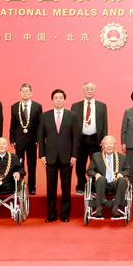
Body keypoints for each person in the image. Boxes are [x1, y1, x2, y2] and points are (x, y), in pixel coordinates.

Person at [38, 89, 80, 222]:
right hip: (49, 156)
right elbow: (40, 137)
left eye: (60, 98)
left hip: (67, 157)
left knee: (66, 187)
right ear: (52, 100)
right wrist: (42, 155)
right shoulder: (45, 116)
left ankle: (65, 214)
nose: (58, 100)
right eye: (56, 98)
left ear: (64, 100)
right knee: (51, 187)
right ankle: (51, 214)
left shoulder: (72, 115)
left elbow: (76, 138)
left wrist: (74, 155)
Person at [71, 82, 108, 195]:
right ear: (83, 90)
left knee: (96, 164)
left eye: (91, 88)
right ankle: (81, 185)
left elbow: (105, 124)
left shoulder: (102, 106)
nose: (89, 90)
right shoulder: (75, 106)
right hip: (80, 139)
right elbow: (71, 124)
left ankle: (94, 187)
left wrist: (105, 139)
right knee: (80, 164)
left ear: (94, 90)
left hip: (95, 139)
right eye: (87, 88)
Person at [9, 83, 42, 195]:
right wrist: (12, 138)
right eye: (23, 91)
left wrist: (39, 139)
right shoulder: (14, 107)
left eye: (27, 91)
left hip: (32, 140)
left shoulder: (37, 106)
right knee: (18, 164)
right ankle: (19, 186)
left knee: (32, 165)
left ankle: (32, 187)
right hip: (19, 140)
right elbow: (13, 125)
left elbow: (40, 125)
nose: (25, 93)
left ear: (31, 93)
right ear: (20, 93)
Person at [86, 135, 130, 218]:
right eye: (106, 144)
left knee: (122, 180)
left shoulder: (122, 157)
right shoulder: (96, 156)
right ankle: (99, 209)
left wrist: (122, 174)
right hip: (101, 185)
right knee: (101, 179)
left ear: (114, 145)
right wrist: (96, 174)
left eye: (111, 144)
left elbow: (128, 170)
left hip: (116, 184)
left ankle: (115, 208)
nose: (109, 146)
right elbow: (89, 171)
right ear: (102, 146)